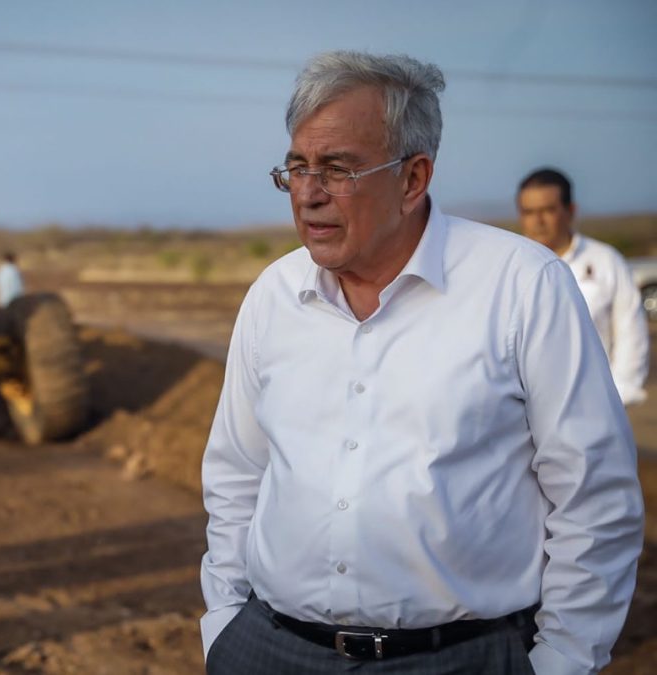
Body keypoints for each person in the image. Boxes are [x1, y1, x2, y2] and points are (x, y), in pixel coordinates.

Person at [200, 51, 643, 675]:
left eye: (337, 168)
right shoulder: (272, 296)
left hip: (458, 659)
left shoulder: (523, 286)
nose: (309, 194)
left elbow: (595, 497)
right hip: (269, 649)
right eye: (296, 167)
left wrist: (565, 660)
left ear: (413, 178)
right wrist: (224, 622)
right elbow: (236, 475)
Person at [517, 167, 649, 405]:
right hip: (525, 411)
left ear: (570, 211)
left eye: (547, 210)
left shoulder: (606, 261)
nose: (537, 221)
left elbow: (631, 333)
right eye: (529, 212)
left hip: (595, 404)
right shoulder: (510, 268)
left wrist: (616, 397)